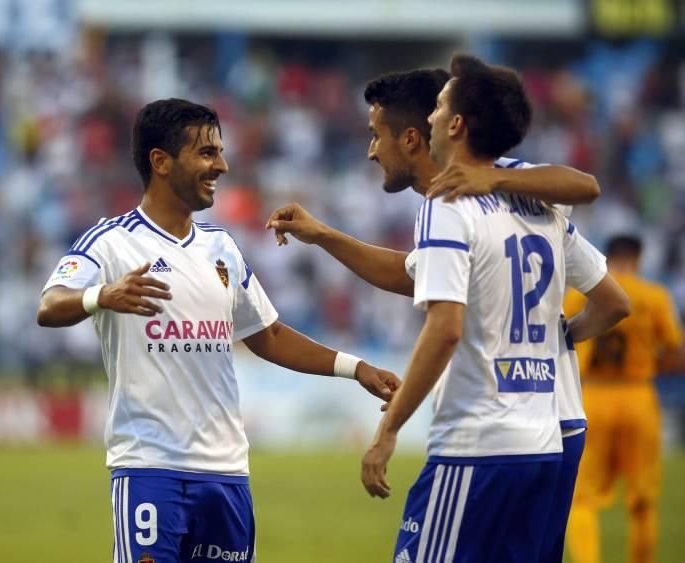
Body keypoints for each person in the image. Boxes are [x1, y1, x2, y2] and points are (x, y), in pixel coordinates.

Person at [267, 66, 611, 562]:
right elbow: (414, 274)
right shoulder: (533, 195)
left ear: (434, 130)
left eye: (374, 135)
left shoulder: (450, 203)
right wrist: (324, 235)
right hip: (549, 435)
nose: (370, 149)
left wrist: (387, 432)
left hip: (480, 441)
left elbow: (445, 327)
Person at [36, 99, 400, 563]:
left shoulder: (221, 247)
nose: (221, 165)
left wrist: (356, 368)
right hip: (150, 467)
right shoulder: (111, 242)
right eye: (206, 153)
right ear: (160, 161)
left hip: (226, 472)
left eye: (220, 153)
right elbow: (49, 306)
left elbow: (266, 335)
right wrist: (99, 296)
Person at [564, 235, 683, 563]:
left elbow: (558, 338)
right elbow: (675, 354)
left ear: (606, 258)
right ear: (639, 258)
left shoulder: (580, 296)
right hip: (638, 395)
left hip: (593, 398)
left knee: (582, 499)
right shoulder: (655, 296)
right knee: (642, 500)